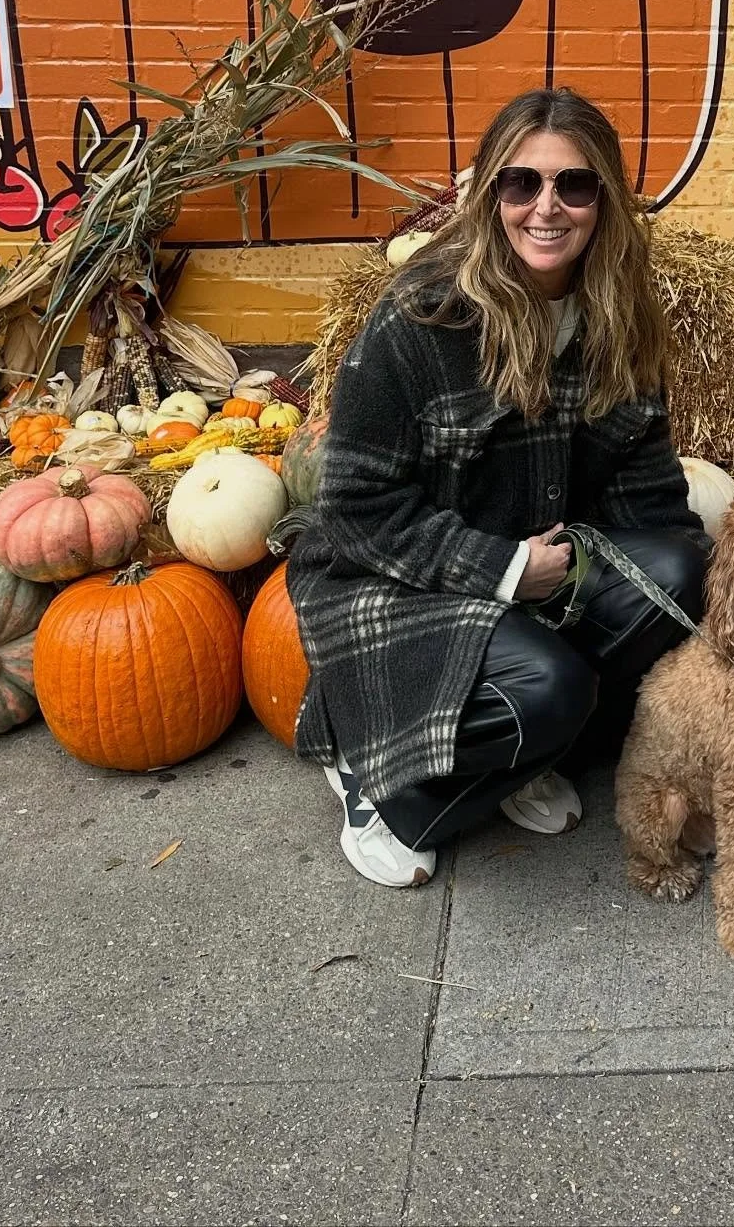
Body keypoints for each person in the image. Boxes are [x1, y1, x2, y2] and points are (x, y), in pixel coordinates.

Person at [287, 88, 707, 888]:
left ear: (605, 199)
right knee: (554, 686)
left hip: (537, 571)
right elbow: (354, 511)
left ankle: (524, 749)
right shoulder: (422, 317)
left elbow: (648, 492)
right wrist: (504, 570)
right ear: (491, 194)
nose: (546, 207)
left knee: (681, 580)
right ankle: (383, 785)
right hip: (400, 580)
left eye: (573, 185)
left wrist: (719, 598)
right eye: (522, 184)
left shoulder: (619, 317)